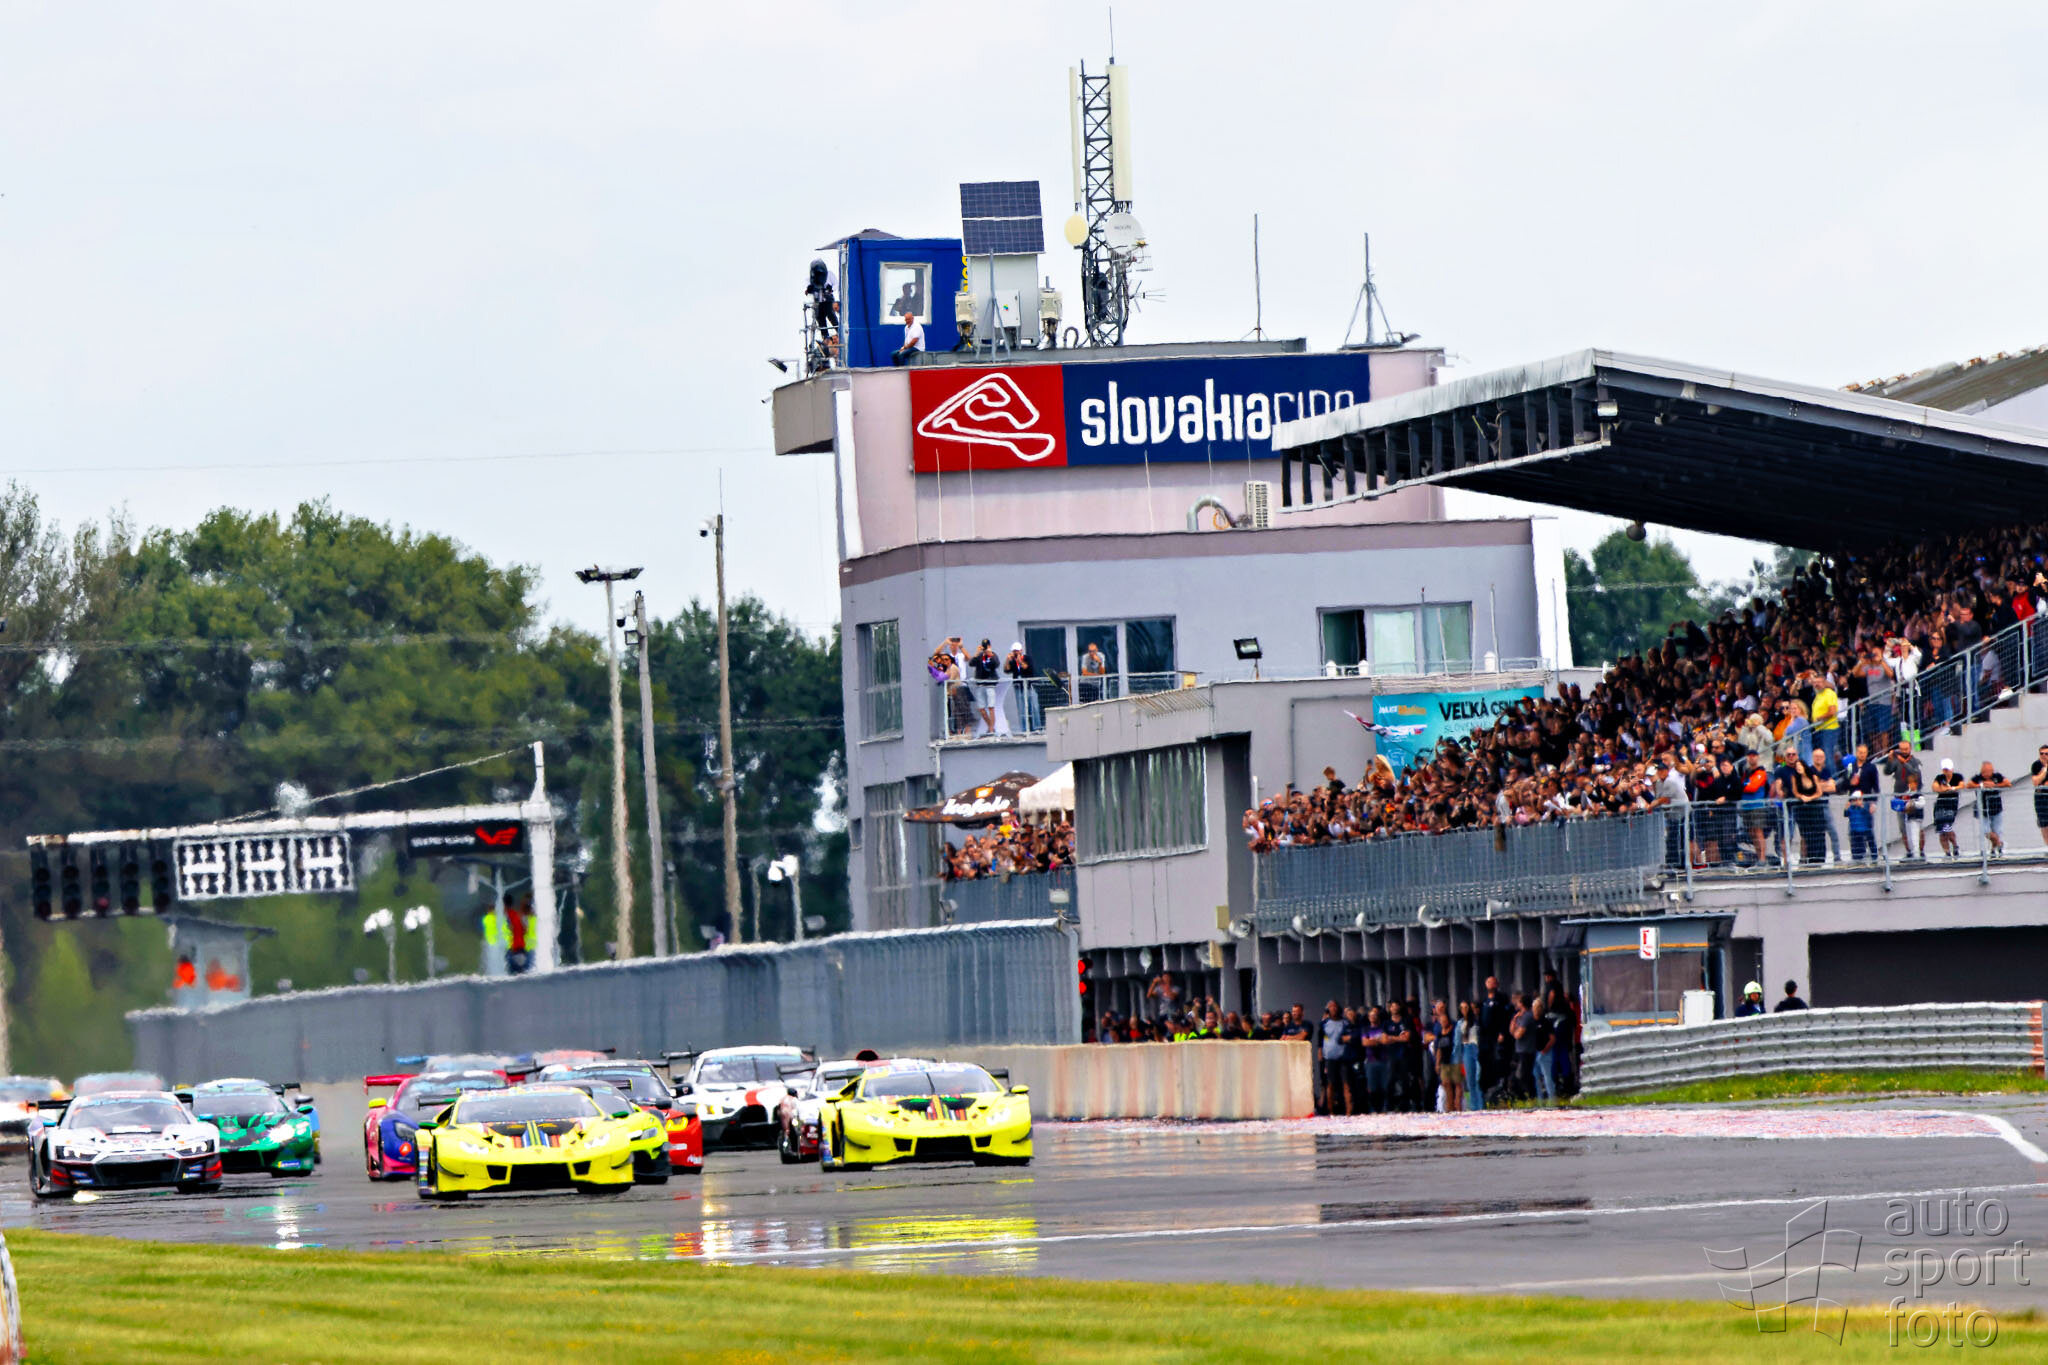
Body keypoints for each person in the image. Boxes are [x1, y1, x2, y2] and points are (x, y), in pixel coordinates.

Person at [1968, 759, 2008, 858]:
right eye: (1985, 772)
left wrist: (1995, 785)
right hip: (1983, 809)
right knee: (1986, 831)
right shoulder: (1978, 778)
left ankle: (1994, 850)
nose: (1987, 774)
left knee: (1997, 830)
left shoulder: (1997, 777)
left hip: (1996, 808)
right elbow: (1969, 785)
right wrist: (1981, 785)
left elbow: (2007, 783)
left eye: (1989, 771)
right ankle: (1999, 843)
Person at [1426, 1000, 1460, 1112]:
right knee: (1446, 1084)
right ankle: (1449, 1108)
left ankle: (1458, 1107)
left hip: (1454, 1058)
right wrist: (1437, 1062)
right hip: (1443, 1060)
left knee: (1457, 1085)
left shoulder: (1454, 1026)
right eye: (1438, 1008)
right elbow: (1438, 1048)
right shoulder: (1437, 1030)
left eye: (1442, 1007)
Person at [1318, 1001, 1348, 1116]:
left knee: (1345, 1083)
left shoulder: (1345, 1023)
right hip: (1329, 1058)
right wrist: (1321, 1059)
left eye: (1335, 1006)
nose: (1333, 1009)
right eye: (1331, 1007)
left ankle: (1347, 1111)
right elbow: (1320, 1043)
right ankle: (1330, 1111)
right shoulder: (1324, 1024)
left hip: (1343, 1057)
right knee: (1330, 1084)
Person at [1509, 992, 1540, 1102]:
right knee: (1517, 1076)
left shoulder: (1528, 1016)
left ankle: (1531, 1097)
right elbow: (1512, 1031)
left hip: (1527, 1050)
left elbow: (1518, 1034)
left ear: (1522, 1003)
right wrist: (1514, 1020)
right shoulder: (1519, 1016)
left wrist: (1515, 1032)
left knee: (1524, 1076)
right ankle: (1525, 1097)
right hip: (1519, 1050)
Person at [968, 638, 1002, 735]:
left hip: (990, 684)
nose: (985, 649)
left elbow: (996, 664)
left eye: (986, 646)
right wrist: (976, 653)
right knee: (981, 709)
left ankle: (991, 729)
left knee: (991, 707)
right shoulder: (979, 656)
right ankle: (990, 725)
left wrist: (990, 655)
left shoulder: (993, 655)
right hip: (980, 684)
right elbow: (971, 663)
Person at [1002, 643, 1040, 730]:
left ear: (1021, 650)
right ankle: (1024, 729)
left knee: (1033, 707)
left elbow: (1026, 667)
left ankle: (1037, 728)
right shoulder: (1013, 662)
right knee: (1022, 709)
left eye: (1017, 651)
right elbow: (1006, 670)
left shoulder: (1027, 658)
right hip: (1019, 688)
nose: (1015, 653)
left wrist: (1019, 660)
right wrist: (1007, 660)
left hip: (1029, 686)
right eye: (1014, 651)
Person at [1455, 1000, 1485, 1112]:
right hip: (1466, 1048)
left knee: (1478, 1077)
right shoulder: (1460, 1023)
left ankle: (1480, 1105)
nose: (1464, 1010)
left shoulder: (1476, 1021)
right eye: (1462, 1008)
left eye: (1466, 1007)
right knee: (1470, 1079)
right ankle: (1474, 1106)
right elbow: (1457, 1042)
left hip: (1476, 1048)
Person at [1931, 758, 1963, 859]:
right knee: (1941, 831)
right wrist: (1944, 789)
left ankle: (1955, 845)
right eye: (1945, 769)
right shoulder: (1939, 777)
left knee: (1947, 827)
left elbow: (1961, 786)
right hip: (1940, 805)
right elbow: (1935, 787)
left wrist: (1952, 788)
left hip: (1951, 805)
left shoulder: (1957, 777)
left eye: (1948, 769)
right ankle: (1947, 852)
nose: (1946, 772)